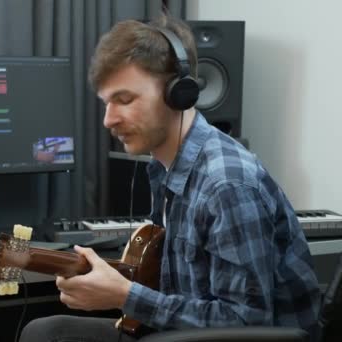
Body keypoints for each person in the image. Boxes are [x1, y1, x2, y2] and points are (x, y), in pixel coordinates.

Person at [19, 14, 321, 342]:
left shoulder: (227, 184)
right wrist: (108, 281)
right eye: (107, 103)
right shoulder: (163, 167)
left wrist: (125, 296)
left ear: (179, 93)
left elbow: (245, 323)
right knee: (45, 332)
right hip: (183, 332)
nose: (108, 120)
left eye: (124, 99)